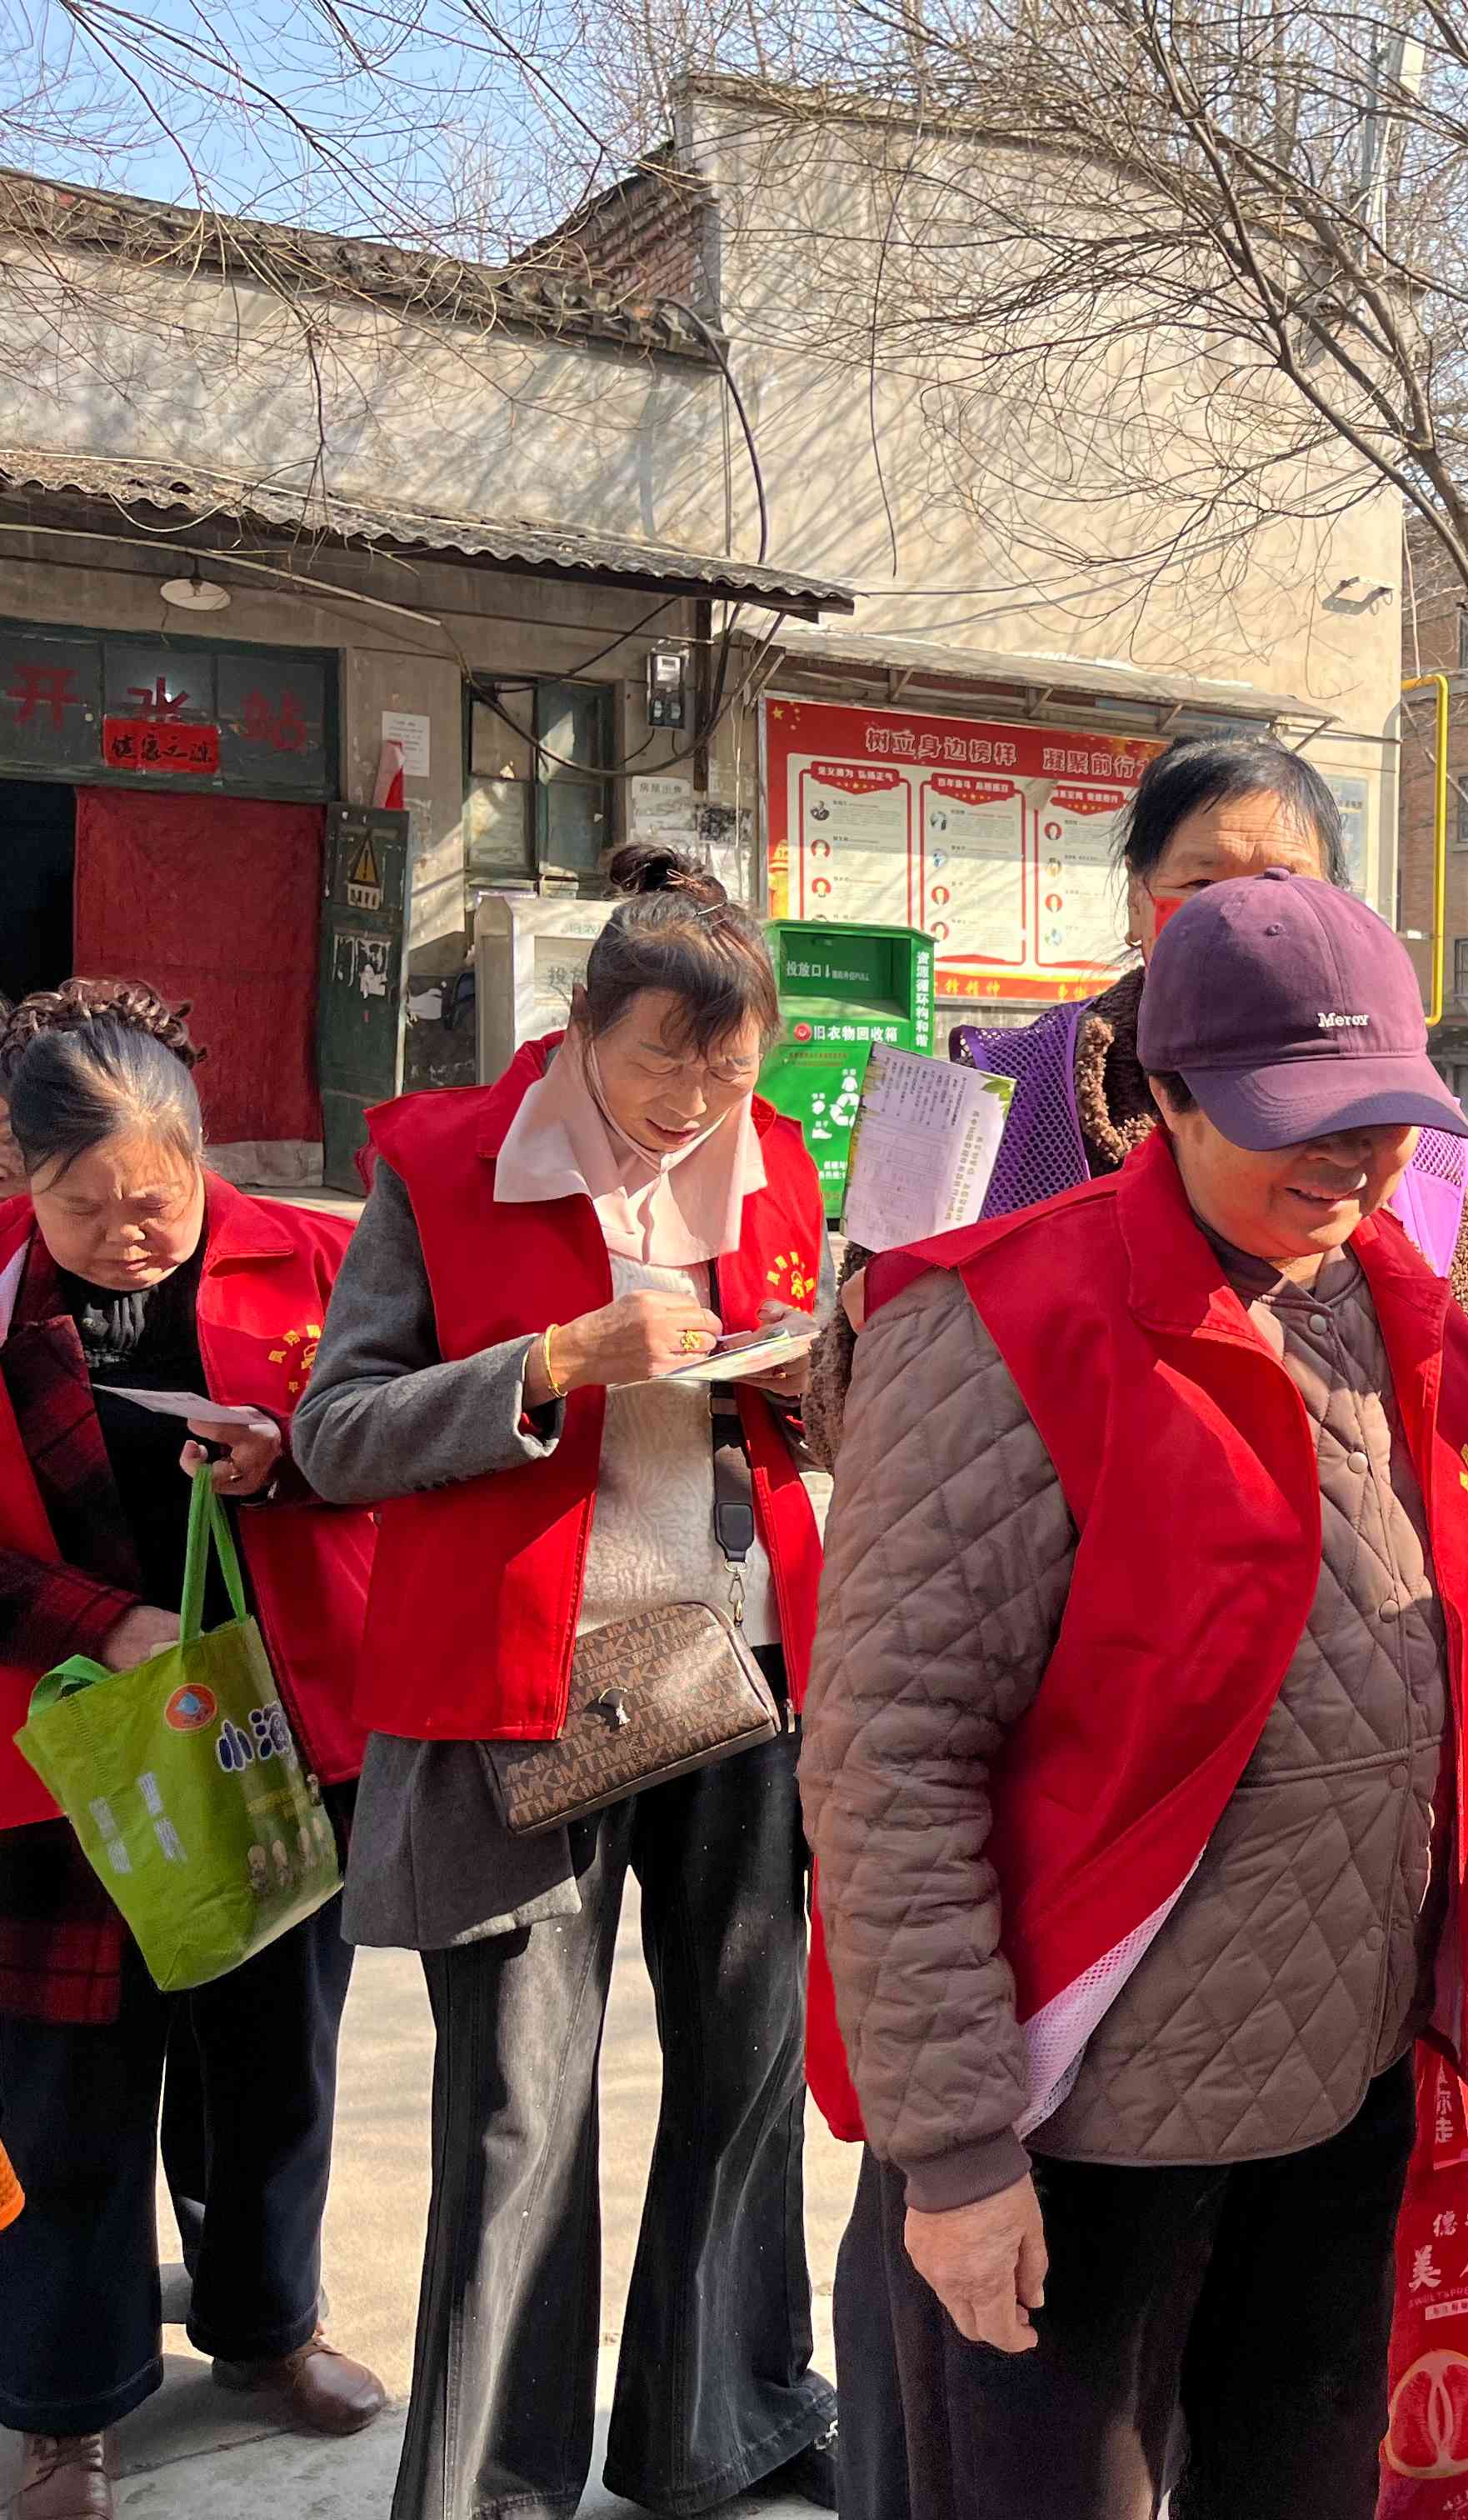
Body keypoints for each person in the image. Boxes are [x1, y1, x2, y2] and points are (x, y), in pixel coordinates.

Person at [803, 871, 1468, 2520]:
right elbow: (890, 1758)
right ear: (1169, 1094)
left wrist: (1462, 1914)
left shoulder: (1399, 1311)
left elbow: (1417, 1661)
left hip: (1339, 2085)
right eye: (1293, 1118)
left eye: (1380, 1116)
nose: (1347, 1160)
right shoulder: (1000, 1324)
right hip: (1084, 2121)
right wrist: (956, 2151)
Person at [294, 843, 840, 2520]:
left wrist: (810, 1392)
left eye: (728, 1071)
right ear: (583, 1023)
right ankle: (494, 2480)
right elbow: (336, 1433)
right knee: (519, 2108)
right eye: (662, 1059)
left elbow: (808, 1417)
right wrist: (551, 1361)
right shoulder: (444, 1162)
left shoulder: (776, 1161)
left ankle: (719, 2426)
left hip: (736, 1667)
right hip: (526, 1684)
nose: (693, 1102)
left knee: (743, 2064)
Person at [0, 1003, 384, 2520]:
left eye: (154, 1197)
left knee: (271, 2064)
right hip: (57, 1761)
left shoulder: (317, 1260)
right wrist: (107, 1620)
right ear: (24, 1181)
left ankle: (266, 2326)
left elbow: (401, 1452)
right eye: (80, 1205)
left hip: (273, 1732)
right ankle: (65, 2400)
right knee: (65, 2090)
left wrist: (290, 1460)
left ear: (202, 1155)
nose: (125, 1235)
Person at [807, 734, 1468, 1457]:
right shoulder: (967, 1096)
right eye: (1202, 884)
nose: (1244, 919)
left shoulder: (1420, 1139)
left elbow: (1456, 1423)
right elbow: (845, 1416)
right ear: (1138, 902)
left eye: (1283, 883)